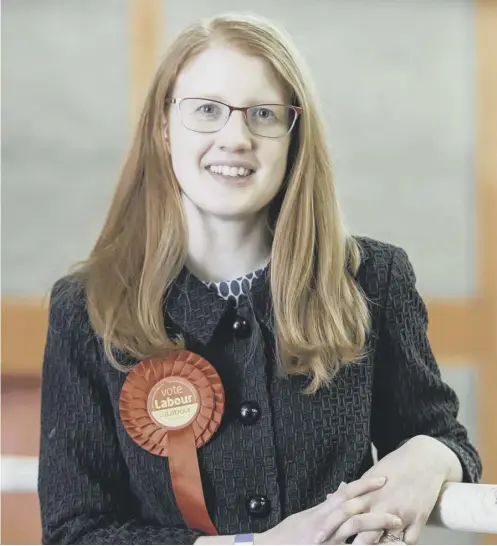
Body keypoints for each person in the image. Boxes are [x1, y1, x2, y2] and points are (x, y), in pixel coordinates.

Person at [37, 12, 481, 546]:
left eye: (263, 115)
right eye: (206, 110)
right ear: (163, 125)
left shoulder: (374, 280)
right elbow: (74, 532)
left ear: (294, 135)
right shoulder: (87, 308)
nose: (236, 137)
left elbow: (446, 438)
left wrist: (432, 455)